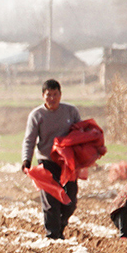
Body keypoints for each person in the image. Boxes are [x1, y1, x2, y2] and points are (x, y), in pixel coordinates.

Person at [21, 79, 81, 239]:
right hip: (46, 163)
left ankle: (61, 225)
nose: (52, 98)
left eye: (55, 95)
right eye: (49, 95)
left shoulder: (71, 112)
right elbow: (29, 139)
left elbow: (81, 134)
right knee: (50, 201)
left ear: (60, 95)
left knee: (70, 201)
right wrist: (26, 159)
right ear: (43, 96)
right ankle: (53, 235)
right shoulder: (37, 115)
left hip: (68, 164)